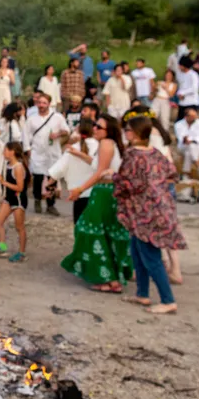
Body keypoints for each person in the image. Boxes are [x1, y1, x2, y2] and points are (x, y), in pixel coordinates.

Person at [111, 112, 186, 314]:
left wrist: (113, 178)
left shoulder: (132, 155)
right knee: (137, 250)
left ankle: (168, 300)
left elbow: (128, 183)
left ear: (134, 134)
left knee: (150, 256)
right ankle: (142, 293)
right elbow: (172, 173)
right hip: (158, 208)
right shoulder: (155, 153)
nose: (125, 132)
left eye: (127, 129)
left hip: (144, 212)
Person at [61, 114, 132, 292]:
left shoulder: (106, 143)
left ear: (108, 131)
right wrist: (79, 154)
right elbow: (98, 164)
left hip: (104, 192)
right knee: (106, 232)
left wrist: (79, 189)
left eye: (98, 127)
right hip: (110, 192)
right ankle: (113, 278)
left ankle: (106, 277)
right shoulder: (111, 145)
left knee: (90, 230)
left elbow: (100, 171)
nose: (94, 129)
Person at [23, 92, 68, 216]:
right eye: (39, 103)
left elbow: (66, 131)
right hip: (37, 152)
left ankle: (50, 204)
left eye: (44, 103)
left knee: (52, 178)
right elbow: (26, 135)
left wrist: (57, 134)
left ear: (49, 104)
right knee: (37, 178)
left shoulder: (57, 117)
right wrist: (28, 150)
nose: (41, 105)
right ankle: (37, 200)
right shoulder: (32, 119)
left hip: (53, 152)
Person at [46, 118, 99, 223]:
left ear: (78, 130)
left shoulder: (72, 149)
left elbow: (58, 169)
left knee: (79, 228)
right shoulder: (99, 146)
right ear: (94, 130)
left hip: (78, 195)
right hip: (97, 193)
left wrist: (48, 185)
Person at [0, 141, 28, 262]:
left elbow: (20, 188)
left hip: (18, 200)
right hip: (9, 199)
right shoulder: (8, 165)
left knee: (19, 227)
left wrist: (3, 182)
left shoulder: (18, 167)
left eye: (5, 150)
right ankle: (2, 247)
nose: (3, 152)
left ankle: (21, 253)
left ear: (12, 152)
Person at [173, 107, 199, 180]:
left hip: (197, 147)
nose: (194, 118)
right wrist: (187, 140)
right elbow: (181, 137)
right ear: (186, 116)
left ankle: (185, 174)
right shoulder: (178, 124)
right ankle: (198, 166)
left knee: (189, 151)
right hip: (183, 147)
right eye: (192, 116)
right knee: (190, 147)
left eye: (195, 116)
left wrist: (189, 140)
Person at [175, 56, 199, 121]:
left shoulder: (193, 75)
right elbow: (180, 87)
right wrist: (179, 93)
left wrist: (183, 93)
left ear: (184, 65)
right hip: (182, 103)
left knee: (191, 121)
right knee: (179, 122)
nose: (179, 67)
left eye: (180, 65)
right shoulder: (180, 74)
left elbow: (194, 88)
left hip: (191, 102)